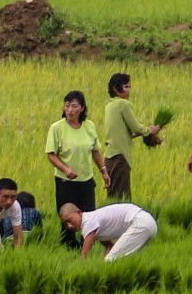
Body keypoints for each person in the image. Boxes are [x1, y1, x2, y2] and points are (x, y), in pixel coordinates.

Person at [45, 90, 105, 219]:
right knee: (68, 219)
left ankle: (87, 239)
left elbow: (95, 151)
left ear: (82, 108)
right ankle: (68, 240)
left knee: (89, 218)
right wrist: (65, 169)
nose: (70, 110)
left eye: (74, 106)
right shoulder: (57, 128)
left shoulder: (89, 126)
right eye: (67, 105)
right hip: (66, 182)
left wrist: (103, 171)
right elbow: (51, 154)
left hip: (86, 181)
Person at [101, 73, 161, 202]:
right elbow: (136, 127)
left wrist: (144, 131)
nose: (129, 90)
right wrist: (149, 130)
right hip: (120, 157)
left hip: (109, 157)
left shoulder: (109, 106)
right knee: (123, 197)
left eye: (130, 87)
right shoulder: (123, 104)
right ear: (116, 89)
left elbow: (124, 132)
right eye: (126, 87)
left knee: (113, 196)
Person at [61, 202, 157, 261]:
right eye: (65, 224)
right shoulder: (93, 222)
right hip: (148, 222)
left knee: (110, 261)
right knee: (126, 259)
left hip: (140, 222)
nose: (69, 226)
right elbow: (109, 247)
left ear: (79, 212)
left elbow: (84, 255)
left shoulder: (87, 222)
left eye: (70, 220)